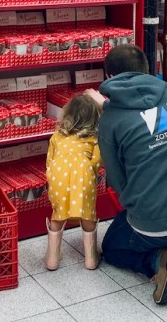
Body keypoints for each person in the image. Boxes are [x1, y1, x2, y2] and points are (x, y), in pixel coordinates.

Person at [86, 44, 167, 306]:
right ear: (147, 70)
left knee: (112, 248)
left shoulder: (110, 119)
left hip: (155, 223)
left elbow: (117, 183)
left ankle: (160, 261)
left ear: (109, 78)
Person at [44, 93, 102, 271]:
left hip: (57, 176)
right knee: (87, 214)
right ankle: (91, 258)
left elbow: (49, 162)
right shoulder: (93, 139)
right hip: (84, 177)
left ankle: (52, 259)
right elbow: (96, 162)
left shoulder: (57, 136)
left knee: (58, 214)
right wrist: (91, 175)